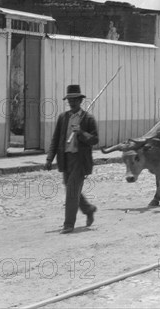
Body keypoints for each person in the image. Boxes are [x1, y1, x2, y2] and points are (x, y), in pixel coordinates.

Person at [44, 85, 99, 234]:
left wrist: (81, 132)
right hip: (65, 159)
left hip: (80, 160)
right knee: (71, 189)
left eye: (75, 100)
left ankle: (68, 225)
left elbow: (94, 140)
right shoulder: (63, 118)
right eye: (70, 100)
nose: (72, 102)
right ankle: (88, 209)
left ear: (80, 100)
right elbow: (56, 139)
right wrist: (50, 158)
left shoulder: (88, 119)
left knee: (72, 192)